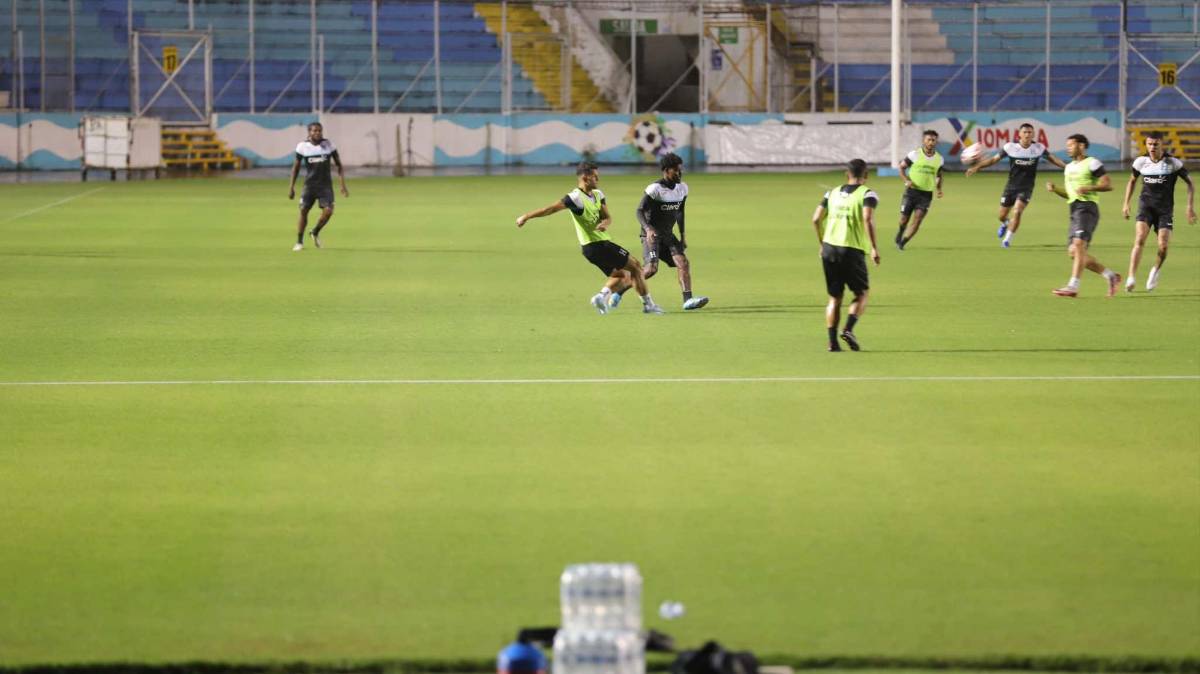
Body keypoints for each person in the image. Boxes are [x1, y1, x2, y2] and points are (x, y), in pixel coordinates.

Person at [516, 161, 664, 315]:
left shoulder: (598, 195)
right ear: (585, 178)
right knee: (636, 267)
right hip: (598, 245)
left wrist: (604, 224)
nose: (598, 180)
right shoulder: (574, 198)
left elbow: (607, 217)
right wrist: (526, 217)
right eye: (595, 177)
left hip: (591, 249)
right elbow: (550, 209)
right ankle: (649, 305)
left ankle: (601, 297)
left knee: (620, 275)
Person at [811, 158, 881, 352]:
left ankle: (832, 342)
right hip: (851, 250)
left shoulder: (831, 193)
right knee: (862, 293)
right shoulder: (868, 194)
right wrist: (874, 247)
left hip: (829, 248)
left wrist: (822, 243)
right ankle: (849, 329)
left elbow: (816, 219)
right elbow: (867, 218)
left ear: (846, 174)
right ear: (866, 175)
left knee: (834, 298)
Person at [627, 152, 710, 311]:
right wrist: (648, 228)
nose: (680, 173)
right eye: (676, 170)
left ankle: (688, 300)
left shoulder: (682, 188)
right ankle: (619, 288)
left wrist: (683, 235)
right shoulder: (655, 189)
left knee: (683, 263)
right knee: (651, 270)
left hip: (668, 235)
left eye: (681, 170)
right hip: (652, 237)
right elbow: (639, 211)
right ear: (666, 170)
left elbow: (680, 212)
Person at [964, 122, 1066, 247]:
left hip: (1026, 187)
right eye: (1025, 132)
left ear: (1033, 134)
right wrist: (977, 167)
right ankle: (1005, 223)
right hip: (1011, 187)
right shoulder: (1010, 147)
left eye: (1030, 132)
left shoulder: (1038, 148)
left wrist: (1067, 167)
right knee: (1001, 216)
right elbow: (993, 160)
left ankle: (1007, 240)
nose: (1027, 134)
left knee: (1017, 211)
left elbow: (1053, 159)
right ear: (1019, 134)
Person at [1045, 134, 1121, 298]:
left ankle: (1073, 286)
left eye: (1071, 145)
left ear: (1082, 146)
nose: (1068, 148)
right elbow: (1070, 194)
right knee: (1074, 252)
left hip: (1087, 208)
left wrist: (1088, 187)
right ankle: (1110, 276)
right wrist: (1055, 189)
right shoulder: (1068, 168)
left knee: (1079, 246)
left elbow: (1107, 184)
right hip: (1074, 209)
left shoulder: (1092, 163)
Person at [1121, 131, 1196, 292]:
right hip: (1145, 207)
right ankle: (1131, 277)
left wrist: (1190, 207)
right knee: (1140, 238)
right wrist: (1126, 203)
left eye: (1156, 144)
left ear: (1162, 144)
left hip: (1164, 210)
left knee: (1163, 245)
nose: (1152, 147)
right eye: (1149, 144)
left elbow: (1190, 183)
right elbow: (1132, 180)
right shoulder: (1141, 162)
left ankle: (1155, 271)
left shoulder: (1172, 163)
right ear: (1146, 145)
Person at [287, 121, 348, 251]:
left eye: (319, 130)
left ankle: (315, 232)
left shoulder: (328, 145)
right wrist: (291, 187)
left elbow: (339, 165)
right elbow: (295, 168)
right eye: (314, 131)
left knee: (329, 211)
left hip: (325, 186)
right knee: (303, 211)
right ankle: (299, 242)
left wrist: (342, 185)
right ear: (309, 132)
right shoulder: (302, 147)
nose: (317, 133)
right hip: (309, 185)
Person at [895, 129, 944, 250]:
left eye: (933, 140)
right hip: (911, 192)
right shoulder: (914, 154)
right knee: (903, 219)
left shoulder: (939, 159)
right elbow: (901, 168)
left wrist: (939, 189)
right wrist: (906, 180)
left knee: (917, 220)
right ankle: (901, 231)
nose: (931, 142)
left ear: (936, 142)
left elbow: (939, 175)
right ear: (923, 141)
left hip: (926, 195)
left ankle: (903, 243)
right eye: (929, 139)